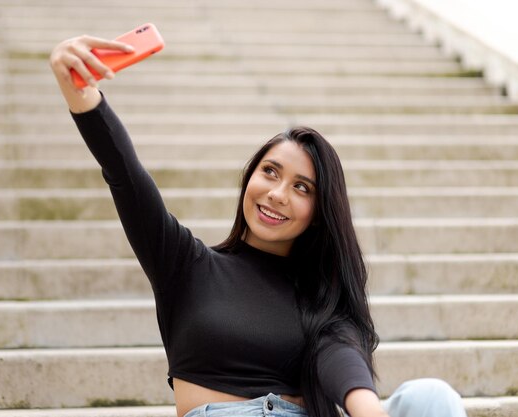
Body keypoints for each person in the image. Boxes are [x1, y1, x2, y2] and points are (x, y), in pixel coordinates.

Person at [50, 35, 468, 417]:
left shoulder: (320, 298)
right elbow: (127, 177)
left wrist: (367, 410)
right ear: (250, 177)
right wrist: (83, 95)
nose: (278, 193)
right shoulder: (186, 264)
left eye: (302, 187)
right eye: (270, 172)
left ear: (320, 211)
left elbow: (341, 359)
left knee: (430, 397)